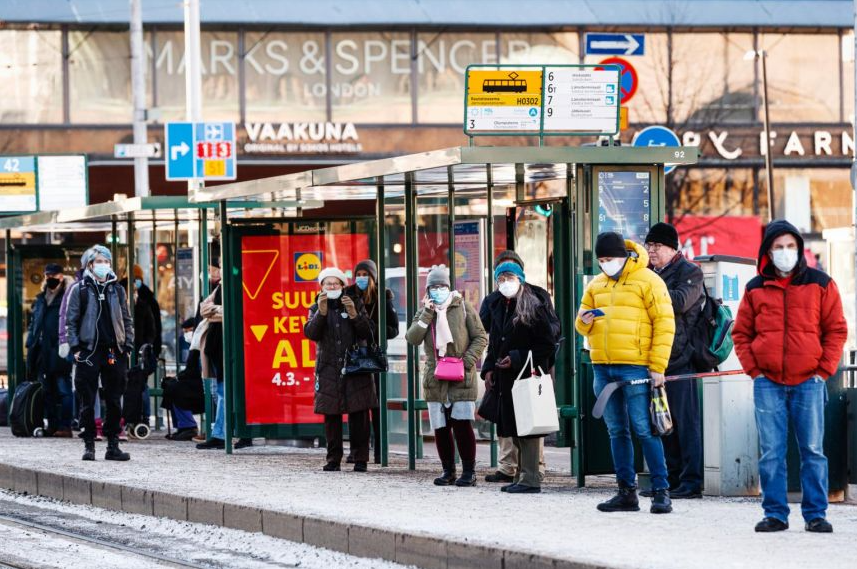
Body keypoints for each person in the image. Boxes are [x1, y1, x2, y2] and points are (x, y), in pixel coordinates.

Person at [733, 220, 847, 533]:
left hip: (809, 381)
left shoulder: (821, 283)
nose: (785, 252)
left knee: (812, 451)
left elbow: (836, 329)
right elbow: (741, 333)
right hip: (767, 382)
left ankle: (815, 514)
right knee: (771, 452)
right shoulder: (755, 288)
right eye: (779, 247)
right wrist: (754, 371)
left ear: (799, 249)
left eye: (791, 246)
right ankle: (775, 514)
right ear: (769, 251)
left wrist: (823, 370)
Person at [575, 232, 675, 514]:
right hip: (602, 367)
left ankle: (660, 491)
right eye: (601, 260)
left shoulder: (649, 281)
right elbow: (580, 324)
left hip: (636, 366)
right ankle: (625, 492)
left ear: (624, 255)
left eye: (609, 259)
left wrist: (657, 366)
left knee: (644, 429)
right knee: (616, 431)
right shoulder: (596, 285)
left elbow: (665, 323)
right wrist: (583, 322)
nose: (605, 264)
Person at [479, 250, 557, 485]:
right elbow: (493, 339)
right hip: (505, 376)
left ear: (521, 276)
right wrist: (489, 367)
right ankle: (518, 473)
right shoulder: (495, 302)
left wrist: (518, 357)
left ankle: (531, 475)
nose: (505, 282)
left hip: (529, 372)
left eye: (510, 276)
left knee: (529, 423)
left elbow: (548, 342)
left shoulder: (535, 301)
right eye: (501, 277)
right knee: (511, 423)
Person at [405, 265, 487, 487]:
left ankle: (469, 472)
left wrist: (468, 361)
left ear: (449, 287)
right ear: (428, 289)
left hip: (461, 374)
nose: (438, 290)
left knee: (462, 424)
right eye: (433, 287)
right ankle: (447, 470)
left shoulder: (463, 307)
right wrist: (427, 313)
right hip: (435, 376)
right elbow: (412, 338)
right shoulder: (424, 311)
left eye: (441, 286)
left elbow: (480, 337)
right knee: (440, 427)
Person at [642, 223, 705, 499]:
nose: (651, 251)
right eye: (649, 245)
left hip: (681, 358)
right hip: (655, 359)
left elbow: (680, 302)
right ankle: (671, 479)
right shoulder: (648, 274)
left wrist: (650, 291)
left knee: (685, 422)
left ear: (672, 248)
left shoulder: (689, 272)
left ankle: (691, 483)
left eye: (657, 246)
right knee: (661, 421)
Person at [65, 245, 135, 461]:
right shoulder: (80, 290)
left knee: (114, 399)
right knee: (87, 399)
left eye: (106, 261)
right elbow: (71, 321)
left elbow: (126, 319)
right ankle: (89, 445)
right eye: (99, 261)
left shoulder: (117, 290)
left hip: (114, 351)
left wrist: (128, 345)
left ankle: (112, 445)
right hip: (88, 351)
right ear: (90, 265)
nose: (103, 264)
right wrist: (76, 348)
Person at [304, 267, 377, 472]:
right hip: (328, 368)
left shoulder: (355, 303)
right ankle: (333, 459)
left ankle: (360, 458)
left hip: (355, 365)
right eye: (328, 284)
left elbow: (367, 332)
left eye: (336, 283)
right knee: (331, 415)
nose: (332, 287)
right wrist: (321, 312)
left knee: (359, 414)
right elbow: (311, 333)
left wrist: (354, 314)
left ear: (343, 286)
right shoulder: (316, 306)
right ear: (322, 287)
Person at [344, 259, 398, 465]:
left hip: (373, 358)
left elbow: (393, 330)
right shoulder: (348, 295)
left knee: (376, 407)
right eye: (358, 275)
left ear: (373, 277)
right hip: (354, 356)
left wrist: (372, 328)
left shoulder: (382, 298)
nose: (361, 279)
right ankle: (357, 450)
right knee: (356, 407)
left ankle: (379, 451)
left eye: (365, 275)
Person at [196, 263, 253, 450]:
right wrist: (220, 311)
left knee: (226, 391)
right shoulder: (221, 285)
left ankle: (225, 433)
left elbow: (237, 311)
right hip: (216, 345)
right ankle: (222, 432)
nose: (220, 267)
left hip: (232, 343)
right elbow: (203, 309)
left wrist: (217, 311)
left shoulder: (240, 283)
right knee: (220, 390)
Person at [26, 263, 74, 437]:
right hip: (42, 350)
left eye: (54, 275)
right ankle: (52, 425)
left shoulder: (68, 297)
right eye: (48, 275)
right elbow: (34, 324)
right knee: (47, 391)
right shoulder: (40, 298)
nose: (50, 279)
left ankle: (65, 426)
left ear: (61, 277)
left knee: (63, 389)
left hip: (61, 349)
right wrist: (31, 343)